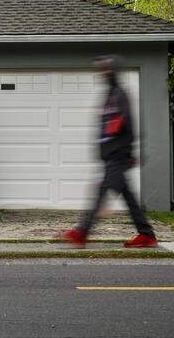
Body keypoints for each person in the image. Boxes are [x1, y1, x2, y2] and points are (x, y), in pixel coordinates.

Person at [59, 56, 157, 248]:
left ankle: (82, 232)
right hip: (112, 155)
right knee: (127, 197)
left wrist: (125, 150)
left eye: (105, 69)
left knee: (102, 192)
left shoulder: (120, 94)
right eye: (101, 69)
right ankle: (147, 235)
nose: (102, 72)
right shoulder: (111, 94)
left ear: (113, 71)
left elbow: (126, 122)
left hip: (118, 155)